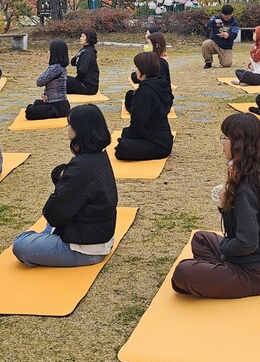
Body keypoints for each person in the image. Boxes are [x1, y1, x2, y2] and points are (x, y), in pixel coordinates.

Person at [171, 112, 260, 298]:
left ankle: (221, 273)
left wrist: (224, 247)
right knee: (201, 239)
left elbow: (247, 243)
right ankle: (220, 273)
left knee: (182, 273)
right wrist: (225, 202)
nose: (221, 143)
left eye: (224, 138)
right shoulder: (254, 170)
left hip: (254, 273)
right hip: (253, 260)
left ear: (238, 144)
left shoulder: (246, 187)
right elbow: (241, 223)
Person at [11, 104, 118, 267]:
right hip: (97, 236)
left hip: (85, 249)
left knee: (20, 245)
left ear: (80, 130)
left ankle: (42, 239)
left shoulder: (81, 167)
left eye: (70, 124)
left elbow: (53, 213)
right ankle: (44, 238)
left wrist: (65, 178)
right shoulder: (98, 155)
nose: (67, 128)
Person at [115, 51, 174, 161]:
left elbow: (139, 122)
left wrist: (127, 135)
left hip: (157, 144)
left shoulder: (145, 91)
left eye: (137, 67)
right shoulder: (160, 84)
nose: (135, 70)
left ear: (144, 69)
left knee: (122, 148)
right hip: (163, 138)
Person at [25, 39, 70, 120]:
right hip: (60, 104)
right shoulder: (61, 67)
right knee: (37, 103)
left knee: (30, 111)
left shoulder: (55, 68)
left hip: (57, 106)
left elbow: (39, 82)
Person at [201, 4, 240, 69]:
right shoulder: (216, 18)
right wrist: (214, 22)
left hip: (225, 47)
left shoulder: (235, 23)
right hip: (214, 43)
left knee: (226, 64)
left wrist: (227, 35)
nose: (225, 17)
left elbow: (234, 35)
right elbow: (207, 25)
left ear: (231, 14)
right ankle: (208, 62)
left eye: (227, 15)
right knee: (206, 44)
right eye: (224, 14)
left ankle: (224, 58)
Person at [66, 28, 100, 96]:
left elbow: (82, 72)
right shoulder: (84, 50)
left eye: (83, 36)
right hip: (83, 82)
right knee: (63, 79)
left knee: (65, 80)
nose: (80, 38)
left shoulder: (88, 53)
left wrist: (75, 81)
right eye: (81, 36)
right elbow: (73, 62)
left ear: (89, 38)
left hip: (89, 86)